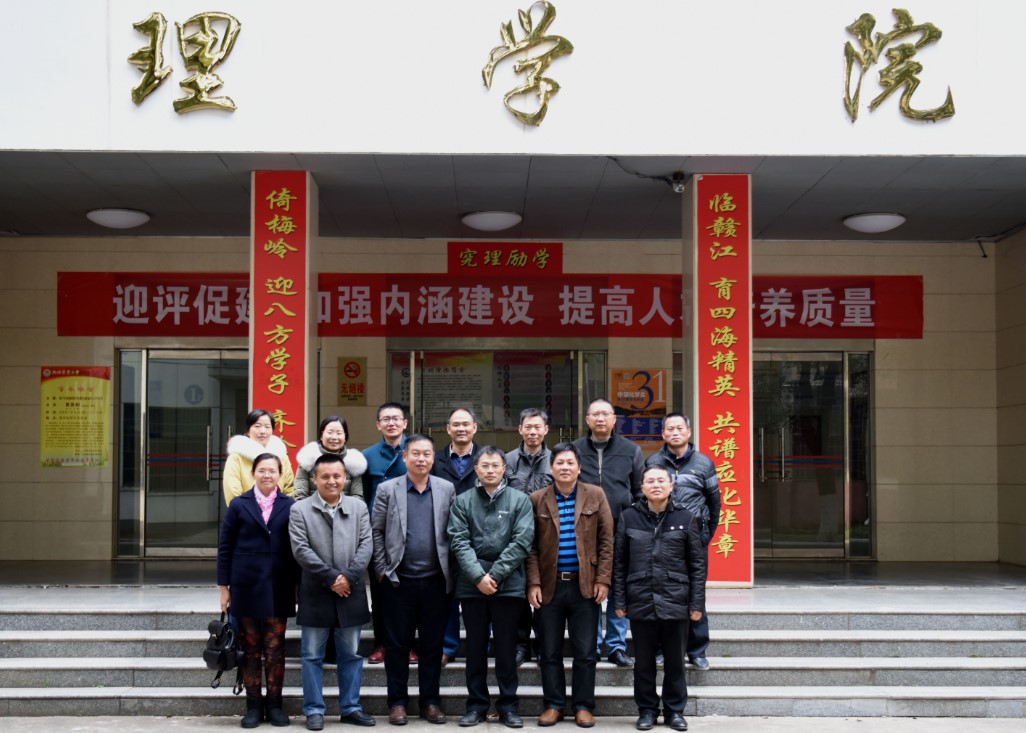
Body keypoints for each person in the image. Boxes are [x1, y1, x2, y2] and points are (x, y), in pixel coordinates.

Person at [613, 466, 707, 732]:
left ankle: (675, 711)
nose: (656, 485)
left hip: (676, 600)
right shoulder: (629, 517)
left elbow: (697, 565)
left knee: (675, 662)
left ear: (671, 486)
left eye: (661, 480)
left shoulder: (686, 517)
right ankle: (647, 710)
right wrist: (619, 601)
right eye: (650, 481)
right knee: (643, 663)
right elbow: (619, 563)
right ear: (642, 487)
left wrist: (696, 604)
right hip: (641, 597)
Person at [525, 442, 613, 729]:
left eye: (570, 463)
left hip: (584, 586)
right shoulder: (537, 499)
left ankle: (583, 706)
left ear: (579, 467)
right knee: (548, 651)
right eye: (559, 463)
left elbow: (606, 541)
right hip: (549, 587)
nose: (565, 467)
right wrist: (533, 582)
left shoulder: (595, 495)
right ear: (551, 468)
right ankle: (553, 705)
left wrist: (603, 579)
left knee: (585, 652)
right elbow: (530, 547)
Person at [447, 447, 534, 729]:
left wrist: (494, 575)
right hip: (472, 585)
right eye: (484, 465)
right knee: (474, 648)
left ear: (504, 468)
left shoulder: (520, 500)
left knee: (506, 649)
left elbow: (522, 541)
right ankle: (476, 705)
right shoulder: (463, 501)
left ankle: (508, 706)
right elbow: (458, 540)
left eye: (495, 465)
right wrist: (477, 576)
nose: (490, 470)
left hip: (508, 586)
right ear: (476, 468)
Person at [372, 434, 456, 726]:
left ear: (433, 458)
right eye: (416, 453)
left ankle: (430, 702)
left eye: (427, 454)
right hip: (398, 582)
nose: (422, 459)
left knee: (432, 646)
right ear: (405, 456)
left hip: (436, 582)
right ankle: (397, 703)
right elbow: (376, 531)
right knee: (396, 645)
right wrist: (382, 570)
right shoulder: (387, 489)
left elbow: (454, 532)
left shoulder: (446, 488)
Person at [290, 454, 376, 731]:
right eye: (325, 476)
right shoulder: (300, 509)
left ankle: (351, 708)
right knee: (311, 656)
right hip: (316, 591)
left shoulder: (358, 507)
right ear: (314, 479)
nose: (331, 481)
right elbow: (301, 549)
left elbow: (367, 545)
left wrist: (348, 577)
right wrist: (331, 578)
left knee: (351, 655)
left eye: (337, 476)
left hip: (351, 591)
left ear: (345, 478)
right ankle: (314, 710)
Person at [217, 453, 299, 729]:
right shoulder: (239, 505)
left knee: (275, 649)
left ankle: (275, 705)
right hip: (246, 586)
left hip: (279, 586)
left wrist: (298, 587)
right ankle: (253, 705)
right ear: (253, 473)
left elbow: (297, 548)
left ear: (280, 475)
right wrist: (224, 588)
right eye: (262, 470)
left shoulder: (290, 505)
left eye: (272, 471)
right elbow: (225, 548)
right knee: (250, 648)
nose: (267, 475)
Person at [644, 412, 720, 670]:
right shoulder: (654, 462)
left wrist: (705, 535)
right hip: (662, 540)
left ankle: (697, 650)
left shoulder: (704, 463)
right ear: (663, 434)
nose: (675, 433)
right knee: (661, 593)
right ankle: (661, 649)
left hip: (694, 539)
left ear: (688, 432)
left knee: (695, 592)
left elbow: (715, 504)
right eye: (670, 429)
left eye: (679, 428)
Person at [572, 398, 644, 668]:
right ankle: (590, 644)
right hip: (584, 530)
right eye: (595, 414)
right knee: (588, 587)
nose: (600, 419)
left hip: (620, 529)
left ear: (614, 420)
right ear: (587, 419)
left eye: (605, 414)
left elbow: (639, 491)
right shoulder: (575, 450)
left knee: (618, 587)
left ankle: (615, 645)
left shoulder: (631, 450)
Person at [431, 408, 483, 667]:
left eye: (466, 424)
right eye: (456, 424)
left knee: (480, 596)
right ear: (448, 429)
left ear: (474, 428)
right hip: (444, 536)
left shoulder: (487, 458)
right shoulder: (435, 460)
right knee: (446, 597)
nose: (461, 428)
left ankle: (481, 646)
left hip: (480, 538)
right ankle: (447, 646)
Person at [505, 408, 555, 666]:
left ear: (546, 430)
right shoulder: (507, 460)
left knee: (545, 592)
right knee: (518, 594)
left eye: (538, 427)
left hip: (548, 536)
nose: (533, 432)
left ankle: (543, 644)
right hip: (515, 537)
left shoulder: (556, 460)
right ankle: (521, 644)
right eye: (528, 427)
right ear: (520, 429)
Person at [363, 402, 409, 664]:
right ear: (378, 424)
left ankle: (408, 644)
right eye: (386, 419)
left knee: (409, 593)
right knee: (381, 593)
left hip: (410, 531)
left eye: (396, 418)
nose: (391, 423)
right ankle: (381, 643)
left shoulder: (417, 450)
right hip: (378, 532)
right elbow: (364, 496)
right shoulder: (367, 456)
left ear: (405, 423)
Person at [223, 409, 296, 505]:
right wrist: (245, 511)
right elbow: (232, 491)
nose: (262, 431)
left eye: (267, 427)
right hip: (245, 512)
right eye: (257, 426)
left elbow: (289, 488)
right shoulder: (236, 457)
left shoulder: (281, 456)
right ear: (248, 430)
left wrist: (282, 510)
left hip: (278, 512)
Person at [294, 415, 368, 502]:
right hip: (311, 509)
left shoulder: (354, 462)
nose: (334, 437)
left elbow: (357, 497)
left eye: (339, 433)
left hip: (345, 510)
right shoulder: (308, 458)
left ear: (345, 437)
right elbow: (300, 495)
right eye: (330, 432)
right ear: (321, 435)